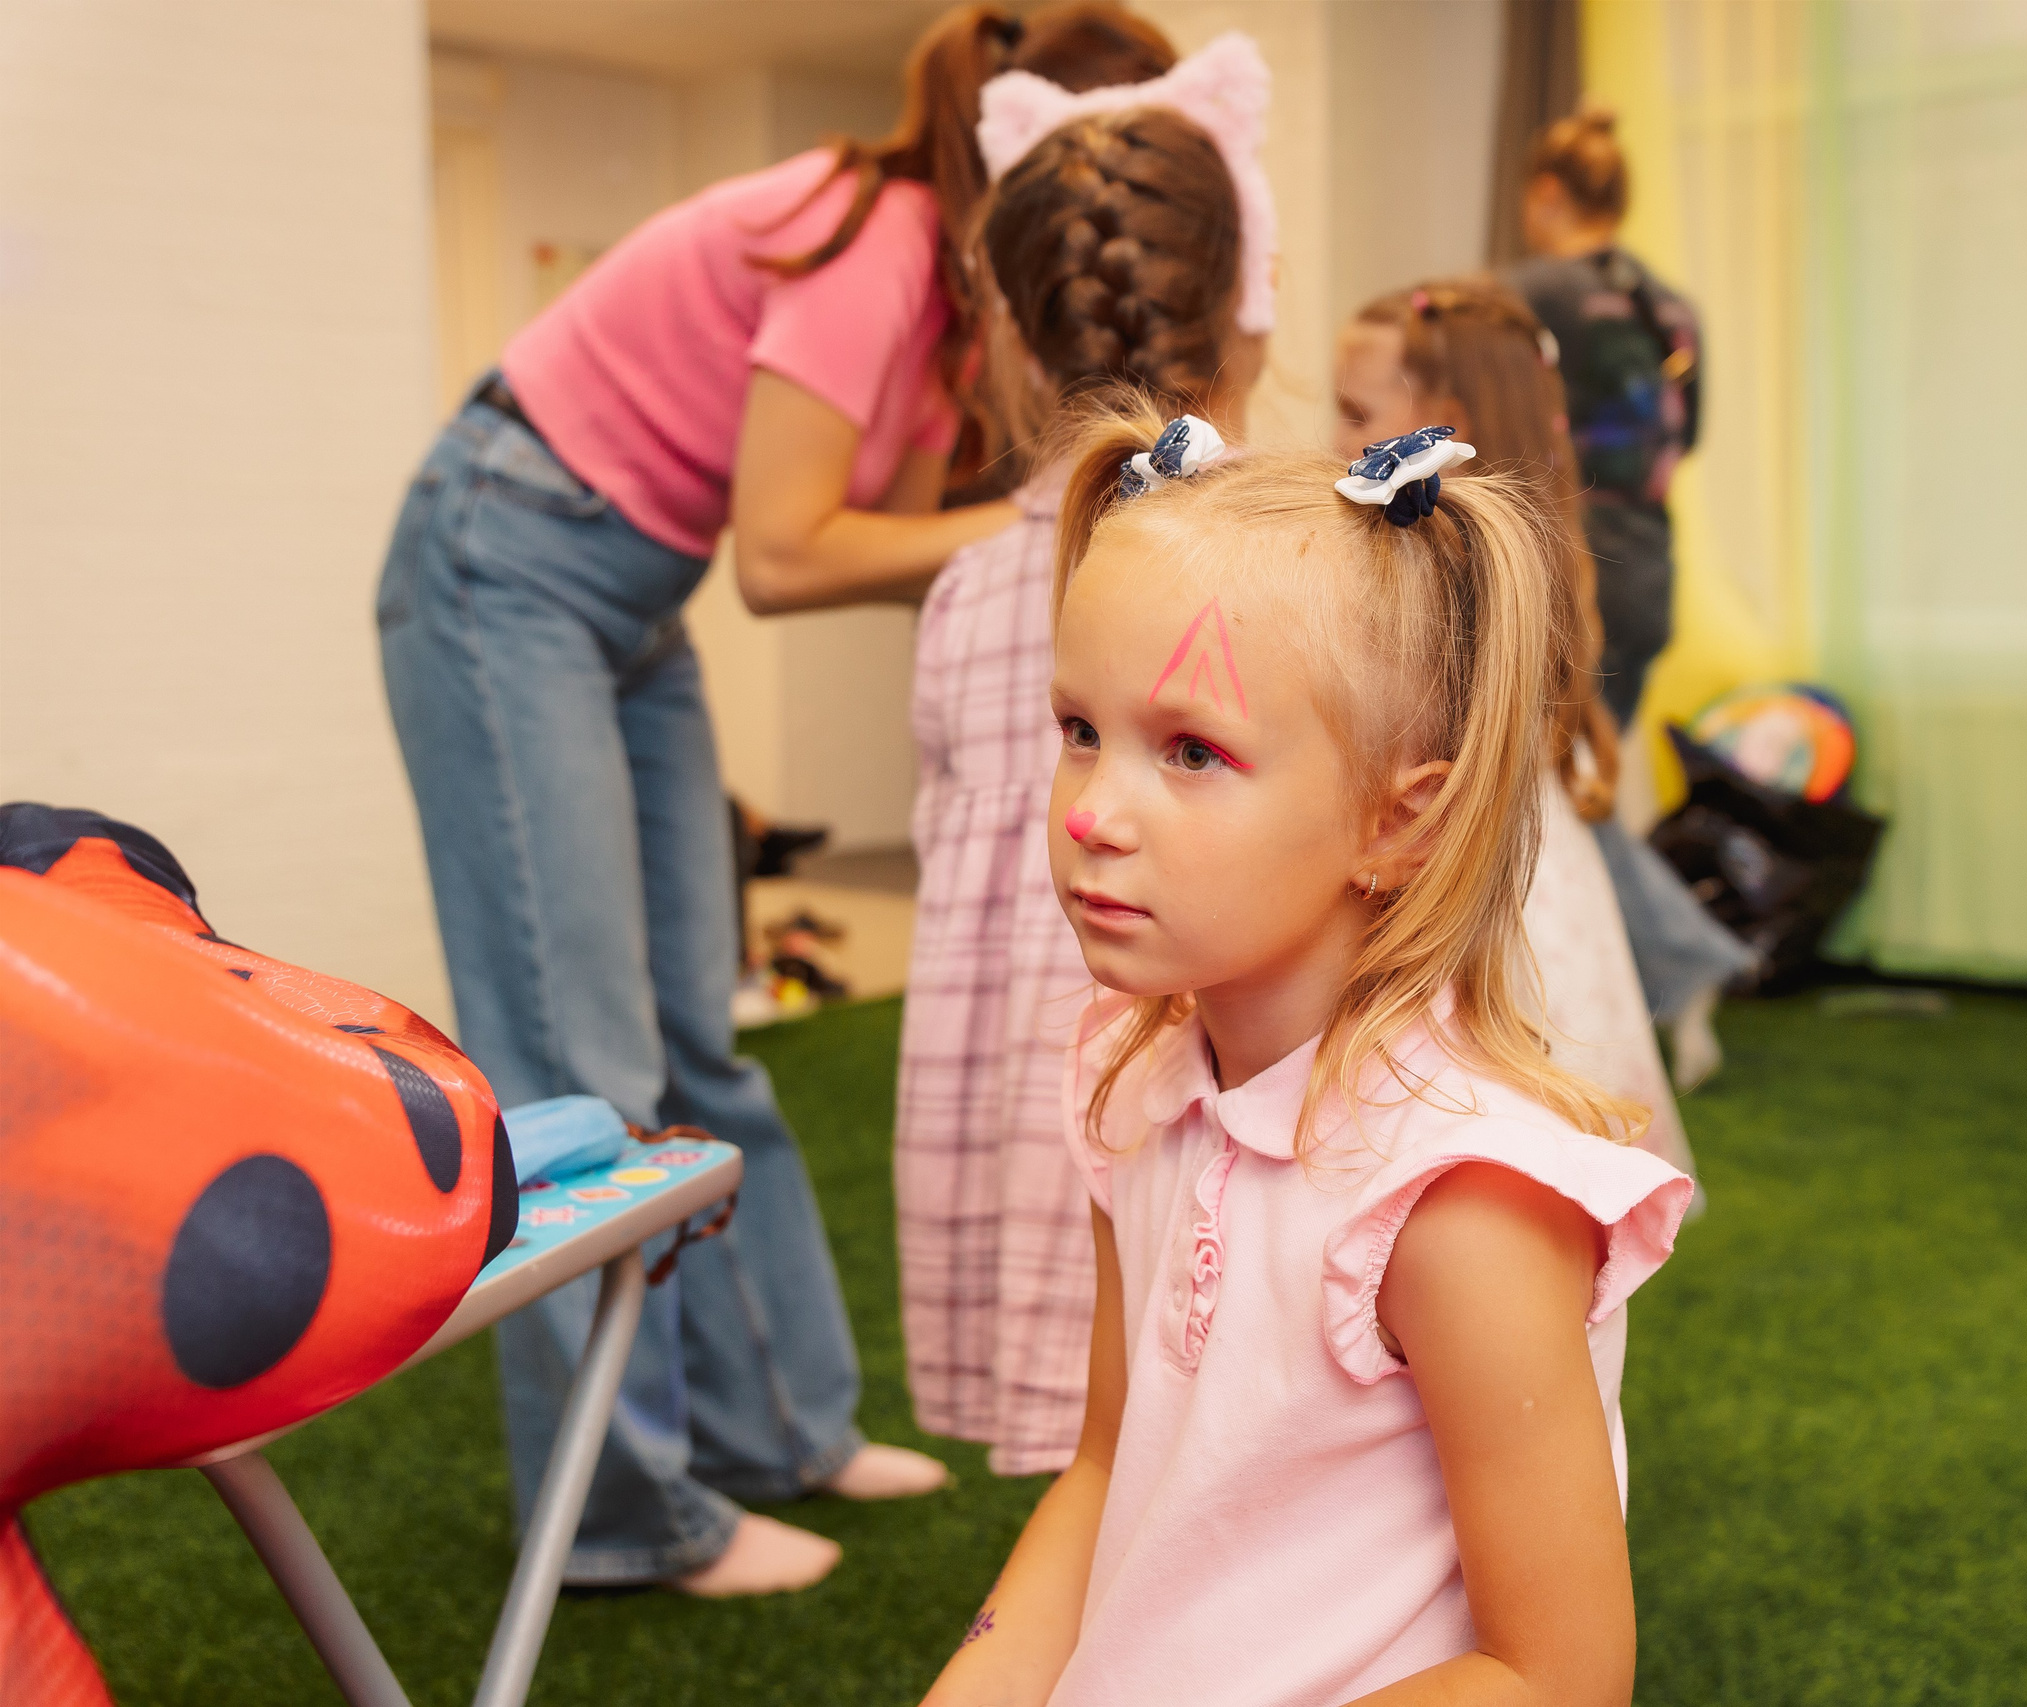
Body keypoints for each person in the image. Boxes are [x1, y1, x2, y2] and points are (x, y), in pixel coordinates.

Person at [375, 1, 1174, 1599]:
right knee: (574, 1052)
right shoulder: (879, 246)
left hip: (628, 587)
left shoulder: (966, 296)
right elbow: (789, 548)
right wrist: (1050, 531)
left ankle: (783, 1430)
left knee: (700, 1040)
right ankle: (619, 1512)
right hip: (502, 551)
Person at [919, 403, 1692, 1704]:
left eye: (1194, 750)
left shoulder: (1458, 1203)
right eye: (1079, 730)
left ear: (1399, 824)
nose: (1094, 813)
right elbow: (1109, 1463)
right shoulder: (1134, 1072)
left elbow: (1554, 1672)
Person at [898, 36, 1272, 1477]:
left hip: (1024, 1107)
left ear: (1004, 332)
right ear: (1250, 301)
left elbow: (956, 861)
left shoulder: (970, 585)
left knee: (1099, 1469)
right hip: (1193, 1093)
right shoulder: (1291, 557)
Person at [1340, 279, 1754, 1095]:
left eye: (1354, 414)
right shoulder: (1530, 547)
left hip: (1483, 883)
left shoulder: (1459, 569)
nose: (1334, 440)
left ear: (1446, 421)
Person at [1506, 111, 1703, 732]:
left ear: (1547, 195)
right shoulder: (1673, 307)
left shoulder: (1528, 294)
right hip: (1646, 578)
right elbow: (1686, 435)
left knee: (1548, 804)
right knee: (1595, 784)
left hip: (1566, 581)